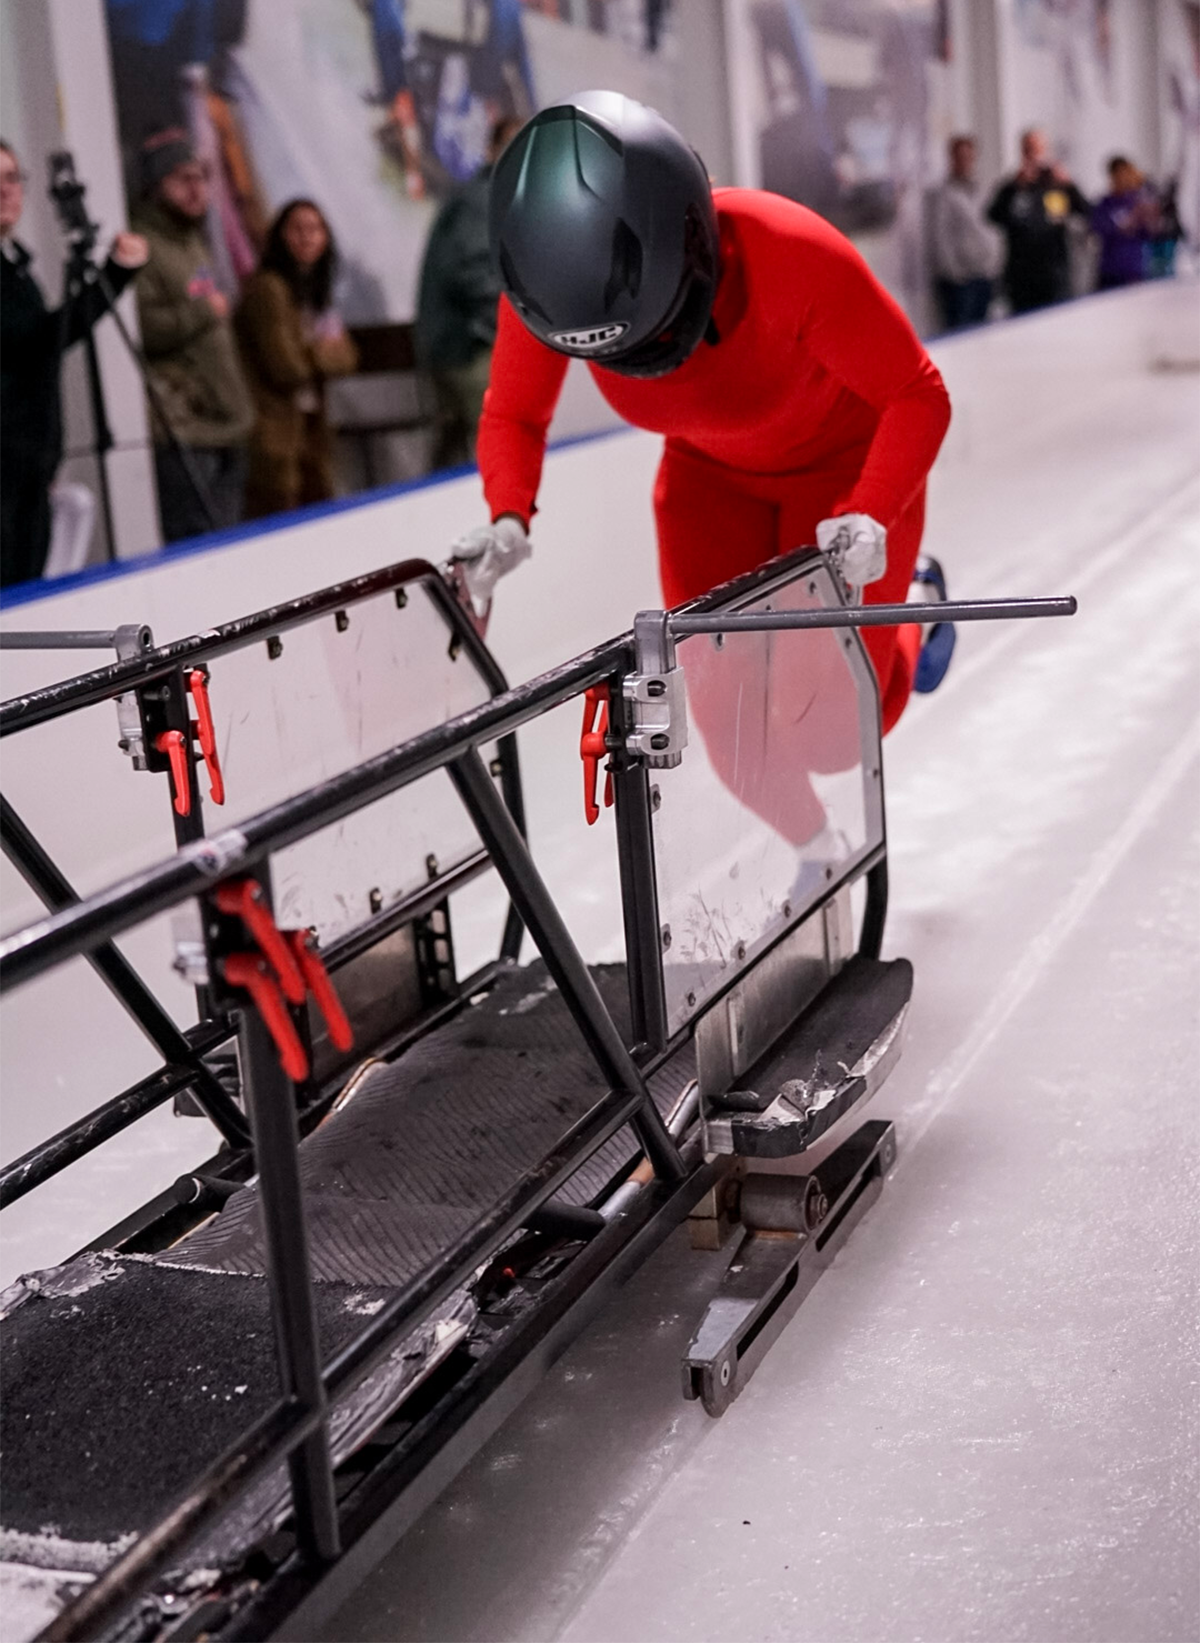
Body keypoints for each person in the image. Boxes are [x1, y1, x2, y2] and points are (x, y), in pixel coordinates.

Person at [454, 93, 953, 851]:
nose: (639, 366)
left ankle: (919, 603)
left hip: (841, 476)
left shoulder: (791, 253)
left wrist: (874, 509)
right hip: (707, 484)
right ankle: (821, 857)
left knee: (828, 734)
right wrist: (508, 513)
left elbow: (918, 392)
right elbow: (514, 413)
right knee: (724, 721)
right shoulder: (553, 286)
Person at [0, 139, 147, 587]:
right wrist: (114, 275)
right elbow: (35, 342)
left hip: (27, 474)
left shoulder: (15, 269)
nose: (5, 191)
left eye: (11, 179)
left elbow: (37, 350)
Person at [132, 130, 254, 543]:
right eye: (181, 178)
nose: (195, 188)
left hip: (226, 423)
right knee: (196, 548)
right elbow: (142, 327)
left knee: (227, 548)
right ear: (153, 187)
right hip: (184, 432)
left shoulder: (192, 243)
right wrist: (202, 311)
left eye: (200, 177)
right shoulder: (143, 246)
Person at [234, 201, 358, 519]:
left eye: (315, 229)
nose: (306, 237)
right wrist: (320, 352)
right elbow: (287, 366)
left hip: (310, 428)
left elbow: (349, 357)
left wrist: (313, 352)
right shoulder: (268, 288)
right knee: (279, 518)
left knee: (320, 514)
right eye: (297, 229)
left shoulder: (316, 291)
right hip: (274, 431)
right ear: (279, 236)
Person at [415, 117, 522, 468]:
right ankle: (495, 515)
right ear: (492, 149)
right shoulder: (485, 196)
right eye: (513, 143)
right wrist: (509, 326)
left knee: (458, 446)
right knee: (494, 443)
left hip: (454, 343)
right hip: (465, 348)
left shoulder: (490, 194)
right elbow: (475, 271)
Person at [987, 128, 1090, 314]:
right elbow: (993, 216)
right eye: (1028, 149)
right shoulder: (1013, 186)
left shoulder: (1057, 184)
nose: (1033, 155)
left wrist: (1070, 185)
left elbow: (1086, 211)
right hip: (1021, 277)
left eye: (1037, 149)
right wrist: (1014, 189)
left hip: (1054, 274)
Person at [929, 134, 1003, 331]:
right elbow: (941, 236)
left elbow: (990, 227)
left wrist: (994, 262)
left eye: (969, 157)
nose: (965, 162)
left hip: (984, 273)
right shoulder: (944, 194)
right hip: (960, 279)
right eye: (961, 157)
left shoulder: (981, 189)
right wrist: (953, 272)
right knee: (962, 331)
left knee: (983, 333)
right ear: (952, 159)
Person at [1091, 156, 1161, 289]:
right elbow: (1099, 229)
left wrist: (1148, 219)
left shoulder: (1138, 202)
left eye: (1125, 173)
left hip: (1134, 271)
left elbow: (1150, 233)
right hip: (1110, 271)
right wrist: (1125, 224)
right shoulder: (1104, 204)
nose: (1122, 178)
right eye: (1118, 174)